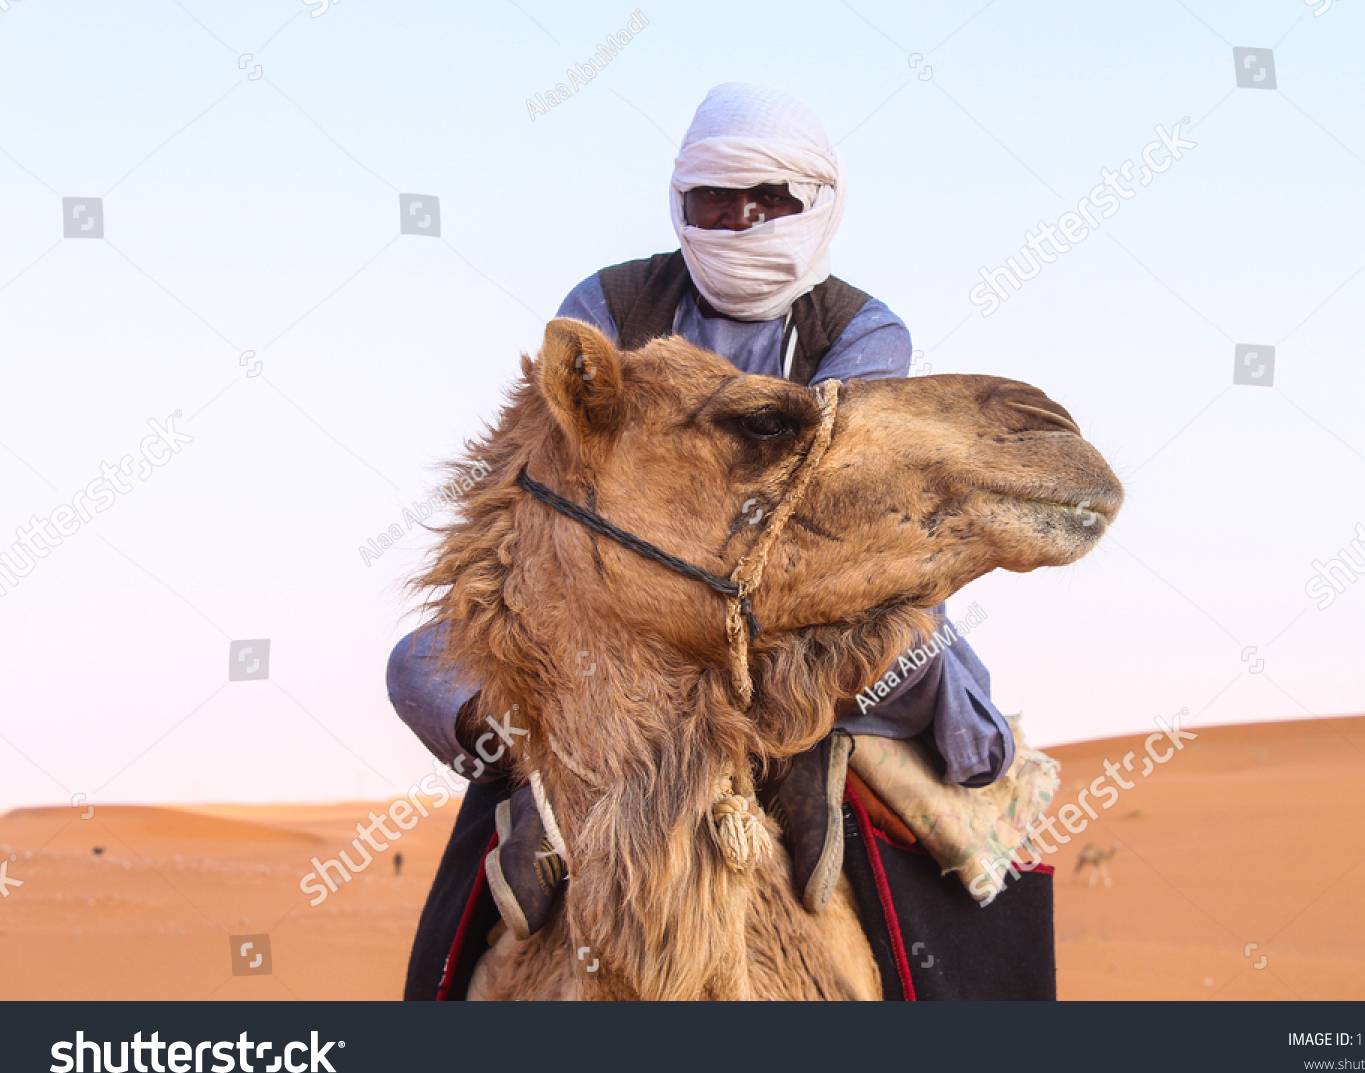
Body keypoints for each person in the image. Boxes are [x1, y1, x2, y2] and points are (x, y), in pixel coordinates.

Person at [389, 83, 1015, 997]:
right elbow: (549, 457)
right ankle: (547, 795)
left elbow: (834, 494)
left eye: (769, 200)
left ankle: (805, 768)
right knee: (420, 663)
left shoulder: (859, 332)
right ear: (681, 202)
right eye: (713, 200)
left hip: (803, 607)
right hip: (618, 621)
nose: (740, 220)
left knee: (906, 653)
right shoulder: (608, 303)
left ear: (821, 203)